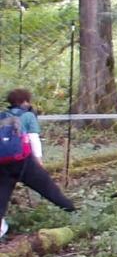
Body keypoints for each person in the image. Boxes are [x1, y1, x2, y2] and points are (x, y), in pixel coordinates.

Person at [0, 88, 76, 241]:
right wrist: (39, 160)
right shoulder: (28, 115)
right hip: (24, 161)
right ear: (25, 101)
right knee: (47, 187)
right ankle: (72, 211)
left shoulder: (2, 115)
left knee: (1, 196)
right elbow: (33, 138)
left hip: (3, 163)